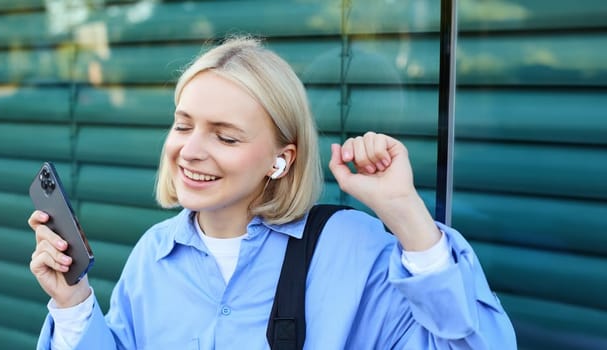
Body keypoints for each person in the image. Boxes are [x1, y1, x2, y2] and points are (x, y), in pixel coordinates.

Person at [28, 36, 516, 349]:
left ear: (282, 158)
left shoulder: (351, 249)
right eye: (183, 126)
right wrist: (72, 301)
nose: (190, 151)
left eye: (226, 136)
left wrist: (407, 214)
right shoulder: (154, 255)